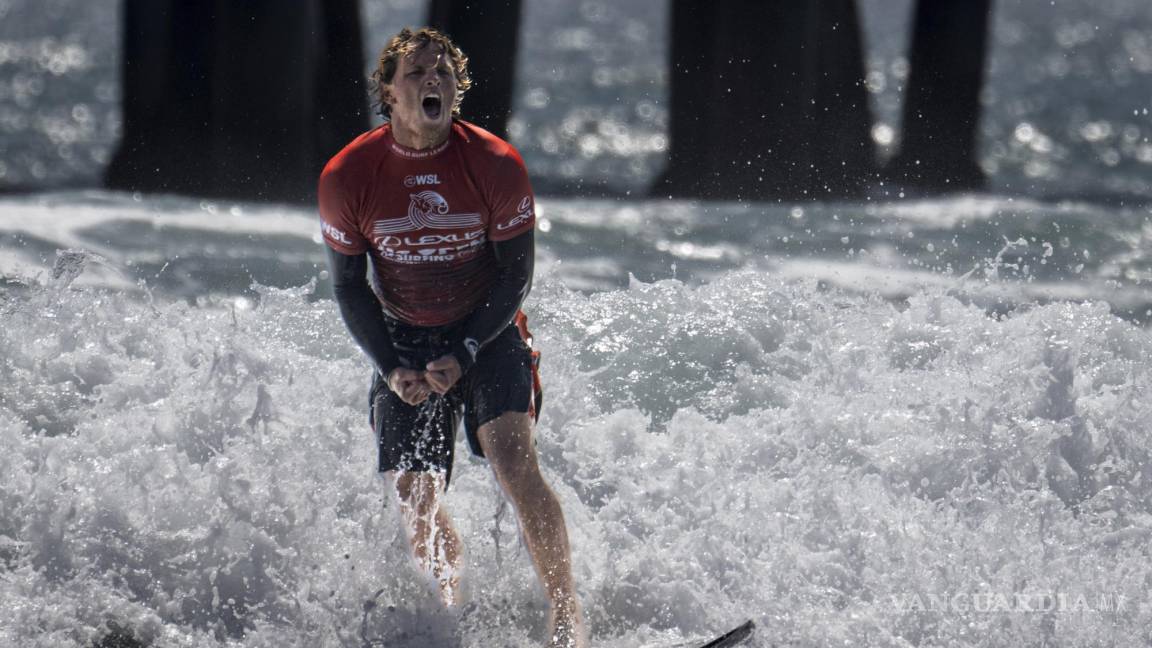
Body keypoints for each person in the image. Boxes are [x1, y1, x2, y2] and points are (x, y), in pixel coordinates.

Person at [317, 27, 586, 648]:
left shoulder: (493, 163)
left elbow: (517, 273)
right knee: (415, 492)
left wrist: (466, 349)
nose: (432, 81)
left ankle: (567, 619)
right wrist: (389, 365)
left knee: (514, 464)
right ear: (389, 90)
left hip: (486, 333)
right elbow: (349, 287)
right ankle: (450, 616)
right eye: (416, 73)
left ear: (457, 87)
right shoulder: (349, 175)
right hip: (401, 338)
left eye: (442, 72)